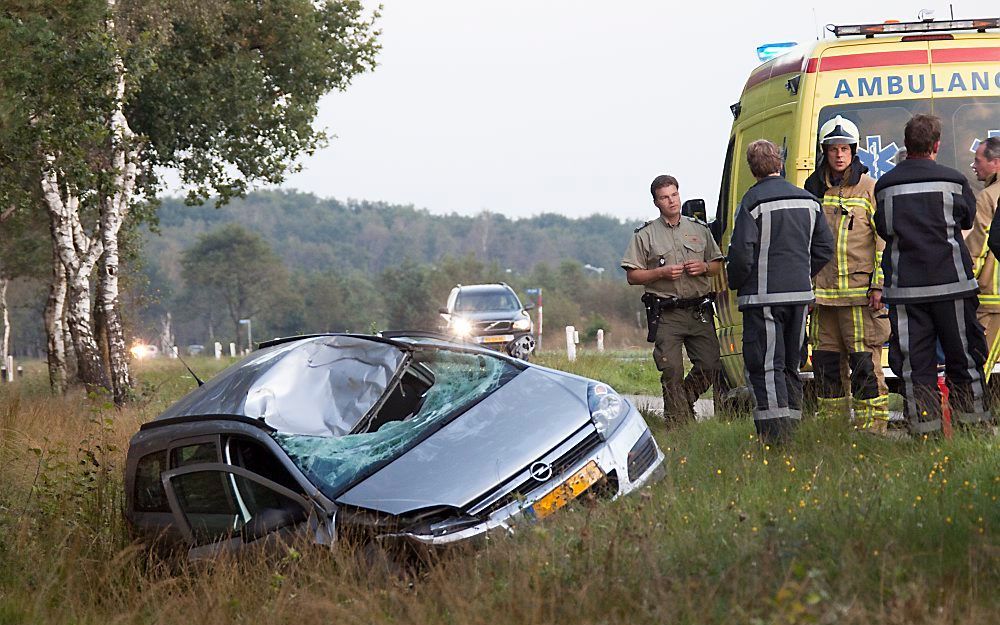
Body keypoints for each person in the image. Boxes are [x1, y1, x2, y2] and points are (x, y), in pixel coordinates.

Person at [873, 114, 991, 436]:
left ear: (906, 145)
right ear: (936, 145)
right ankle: (973, 428)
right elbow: (966, 221)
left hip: (907, 292)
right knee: (964, 360)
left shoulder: (885, 186)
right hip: (952, 286)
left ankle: (925, 433)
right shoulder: (954, 181)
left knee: (916, 367)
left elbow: (883, 228)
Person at [727, 140, 834, 444]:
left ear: (752, 168)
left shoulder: (752, 202)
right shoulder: (809, 201)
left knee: (766, 365)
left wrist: (737, 281)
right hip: (800, 297)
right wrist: (802, 272)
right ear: (780, 163)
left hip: (762, 300)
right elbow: (824, 248)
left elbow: (742, 255)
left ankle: (776, 438)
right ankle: (795, 427)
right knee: (792, 364)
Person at [803, 116, 891, 432]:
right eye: (832, 149)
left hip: (860, 297)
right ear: (824, 152)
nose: (839, 155)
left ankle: (872, 429)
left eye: (844, 149)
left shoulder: (870, 189)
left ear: (854, 151)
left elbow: (882, 242)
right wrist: (806, 291)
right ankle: (833, 429)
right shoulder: (812, 190)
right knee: (826, 365)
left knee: (864, 363)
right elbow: (805, 242)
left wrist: (878, 285)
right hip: (822, 298)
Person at [621, 175, 724, 422]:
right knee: (671, 369)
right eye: (665, 197)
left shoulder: (699, 229)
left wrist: (704, 268)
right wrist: (659, 273)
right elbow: (632, 276)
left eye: (674, 195)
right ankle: (679, 424)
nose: (672, 201)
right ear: (656, 202)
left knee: (710, 366)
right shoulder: (645, 235)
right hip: (667, 312)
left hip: (699, 310)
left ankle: (683, 401)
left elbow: (718, 264)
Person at [968, 137, 1000, 380]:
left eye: (978, 160)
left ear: (995, 163)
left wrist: (966, 282)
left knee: (979, 366)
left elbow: (978, 248)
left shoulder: (988, 197)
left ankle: (976, 416)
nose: (973, 165)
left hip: (992, 300)